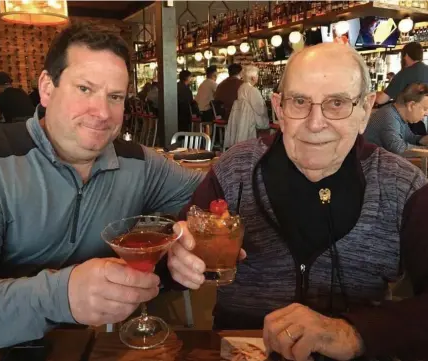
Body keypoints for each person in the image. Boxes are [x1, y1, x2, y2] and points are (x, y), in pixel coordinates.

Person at [168, 43, 428, 360]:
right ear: (278, 108)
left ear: (365, 110)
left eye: (337, 103)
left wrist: (354, 332)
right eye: (299, 101)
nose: (315, 123)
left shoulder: (403, 185)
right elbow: (179, 250)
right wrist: (176, 259)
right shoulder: (234, 169)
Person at [0, 24, 203, 348]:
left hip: (104, 346)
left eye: (115, 97)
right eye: (84, 89)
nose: (102, 112)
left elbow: (216, 194)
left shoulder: (140, 164)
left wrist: (190, 237)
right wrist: (64, 296)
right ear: (47, 88)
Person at [364, 83, 428, 154]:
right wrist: (425, 149)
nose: (426, 114)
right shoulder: (389, 115)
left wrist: (424, 140)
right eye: (425, 109)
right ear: (411, 105)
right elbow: (397, 149)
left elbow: (409, 137)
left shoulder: (398, 114)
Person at [224, 65, 269, 148]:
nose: (257, 78)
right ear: (253, 78)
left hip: (243, 123)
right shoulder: (252, 90)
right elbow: (261, 110)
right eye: (257, 76)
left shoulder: (241, 88)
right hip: (253, 125)